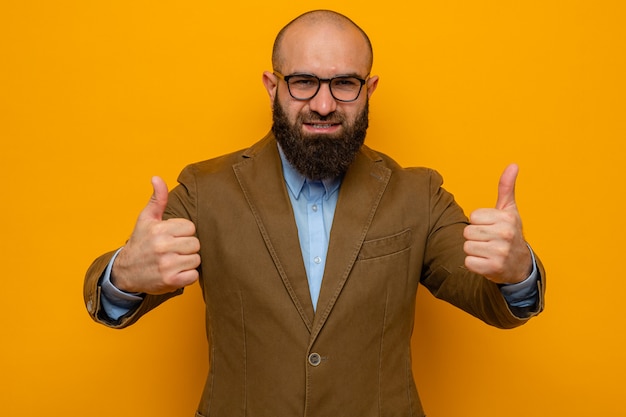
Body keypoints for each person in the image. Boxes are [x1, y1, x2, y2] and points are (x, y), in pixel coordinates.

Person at [84, 9, 545, 417]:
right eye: (303, 81)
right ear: (272, 85)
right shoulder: (207, 190)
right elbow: (110, 299)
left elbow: (491, 300)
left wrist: (517, 271)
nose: (323, 105)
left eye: (344, 83)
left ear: (369, 89)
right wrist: (123, 275)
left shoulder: (417, 193)